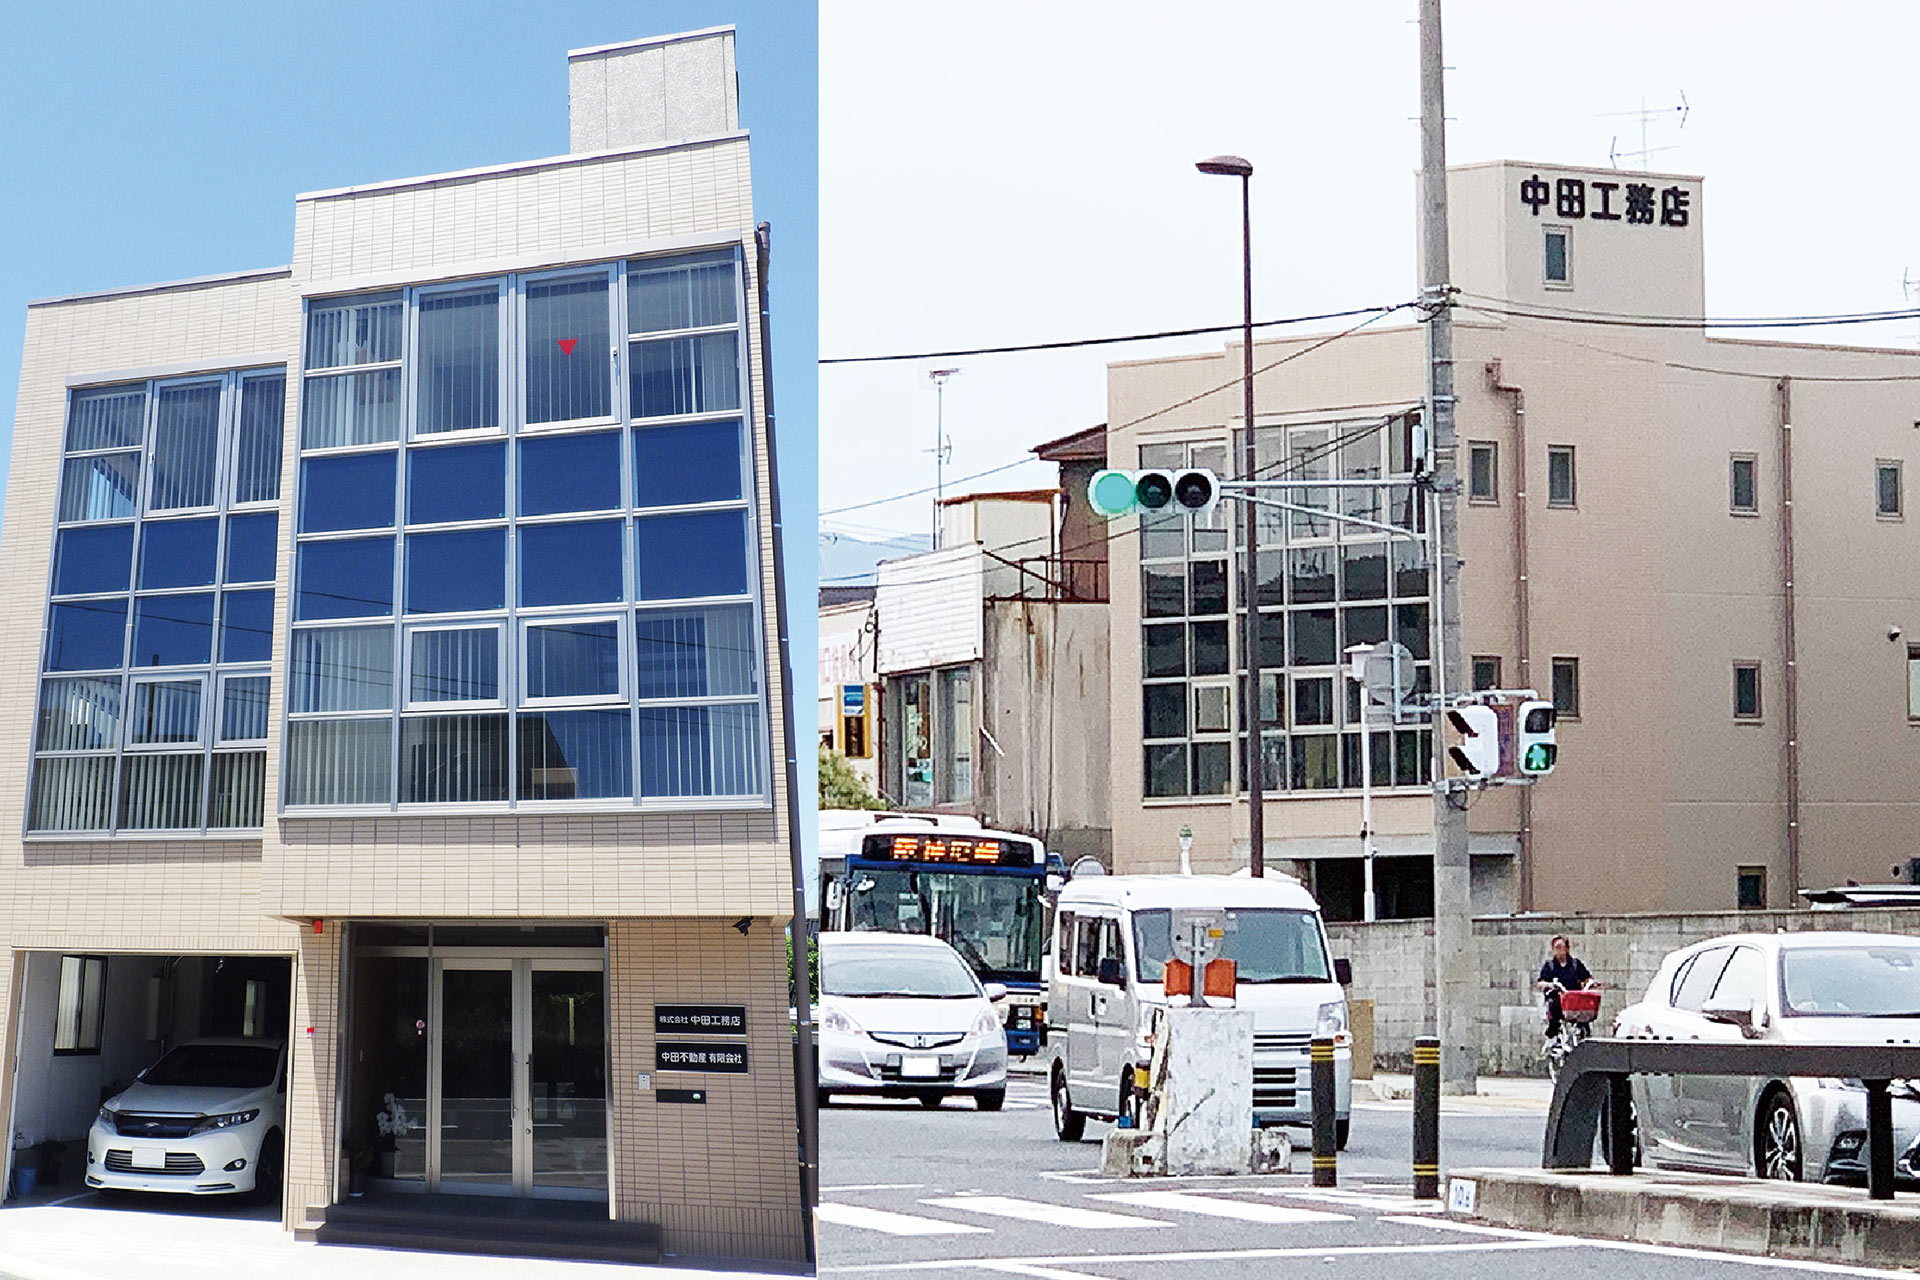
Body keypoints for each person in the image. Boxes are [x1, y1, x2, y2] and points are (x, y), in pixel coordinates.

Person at [1536, 934, 1595, 1041]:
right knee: (1554, 1011)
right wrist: (1550, 985)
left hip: (1574, 1001)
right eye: (1555, 948)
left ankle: (1585, 1036)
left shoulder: (1575, 964)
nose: (1558, 951)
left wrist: (1590, 984)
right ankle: (1554, 1037)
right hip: (1557, 1000)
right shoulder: (1550, 965)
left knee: (1584, 1016)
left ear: (1567, 948)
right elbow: (1540, 982)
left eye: (1560, 947)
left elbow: (1587, 978)